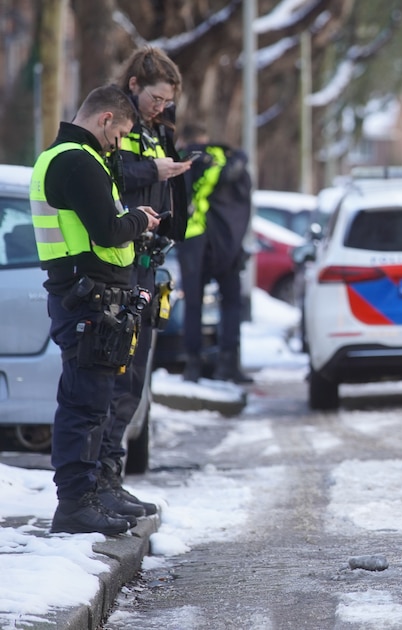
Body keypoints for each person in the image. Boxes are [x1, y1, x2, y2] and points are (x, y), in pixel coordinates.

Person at [30, 84, 162, 534]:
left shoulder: (75, 159)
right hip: (85, 298)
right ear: (105, 119)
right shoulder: (75, 161)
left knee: (95, 402)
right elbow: (107, 231)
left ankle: (92, 492)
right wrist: (140, 220)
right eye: (121, 132)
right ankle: (75, 503)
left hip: (94, 299)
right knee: (83, 403)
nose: (119, 143)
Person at [103, 46, 191, 519]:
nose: (162, 108)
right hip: (122, 265)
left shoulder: (156, 130)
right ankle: (100, 482)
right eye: (157, 98)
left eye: (168, 101)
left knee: (134, 380)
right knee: (117, 378)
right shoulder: (113, 122)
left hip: (147, 263)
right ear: (134, 86)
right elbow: (108, 176)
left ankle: (112, 479)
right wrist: (153, 171)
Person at [177, 123, 254, 384]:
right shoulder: (227, 158)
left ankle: (193, 365)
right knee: (232, 302)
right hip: (228, 241)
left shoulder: (185, 159)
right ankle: (228, 364)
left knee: (193, 304)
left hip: (193, 239)